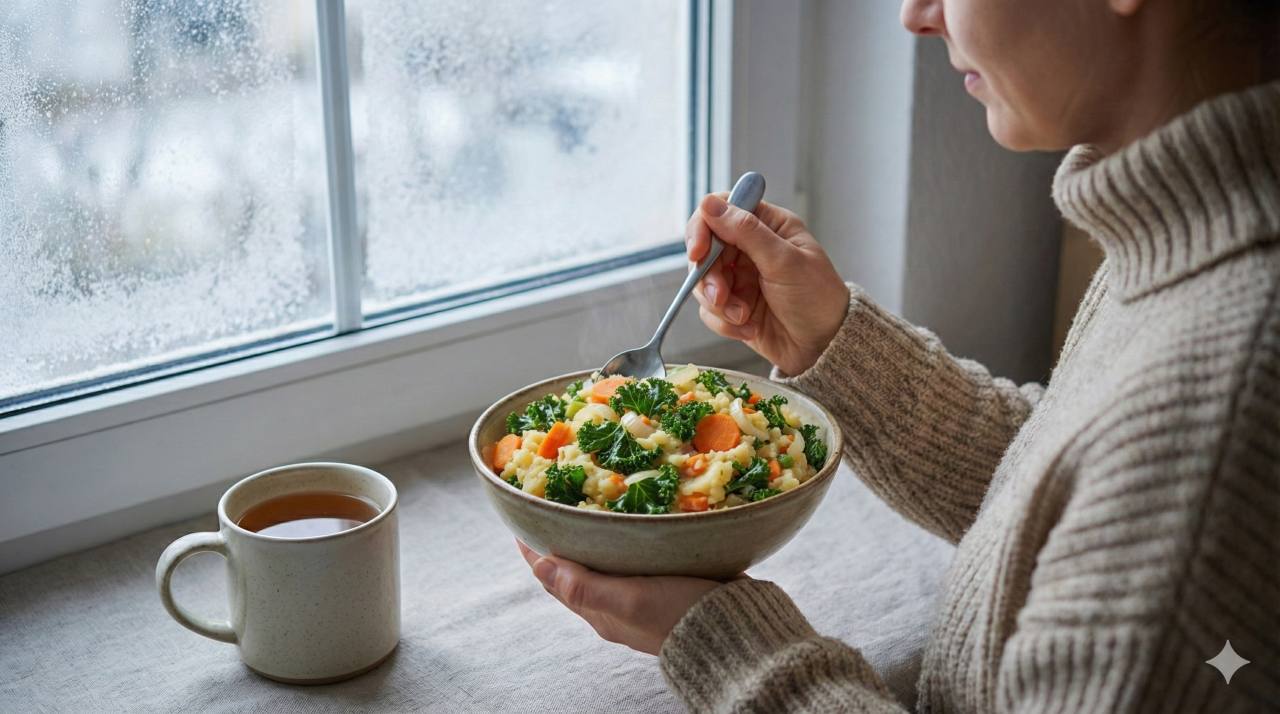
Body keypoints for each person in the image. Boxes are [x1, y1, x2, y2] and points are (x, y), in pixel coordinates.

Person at [519, 0, 1280, 709]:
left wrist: (733, 647)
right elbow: (1071, 493)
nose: (916, 16)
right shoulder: (1191, 238)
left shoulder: (1229, 399)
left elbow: (1159, 499)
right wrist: (833, 343)